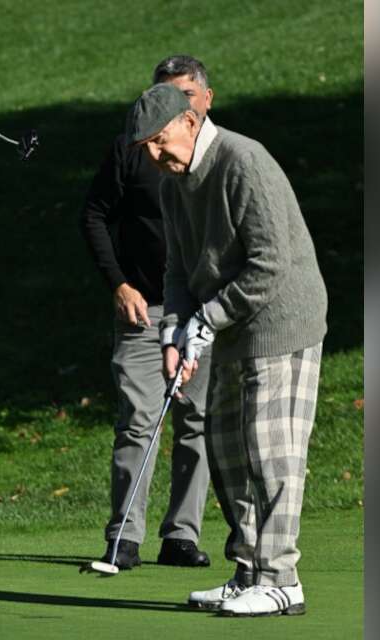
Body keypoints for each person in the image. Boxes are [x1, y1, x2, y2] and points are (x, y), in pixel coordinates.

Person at [124, 82, 327, 616]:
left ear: (191, 123)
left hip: (283, 320)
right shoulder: (173, 186)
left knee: (269, 450)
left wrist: (205, 321)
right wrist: (174, 332)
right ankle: (248, 571)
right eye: (144, 146)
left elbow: (269, 263)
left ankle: (282, 578)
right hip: (233, 326)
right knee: (227, 451)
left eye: (160, 141)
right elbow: (178, 271)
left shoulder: (244, 161)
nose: (154, 155)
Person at [79, 56, 232, 571]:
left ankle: (181, 536)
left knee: (198, 420)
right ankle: (124, 535)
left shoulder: (225, 156)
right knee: (138, 418)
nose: (174, 105)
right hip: (144, 307)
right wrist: (118, 284)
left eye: (186, 94)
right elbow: (94, 214)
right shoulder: (134, 149)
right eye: (164, 94)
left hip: (208, 309)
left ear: (205, 99)